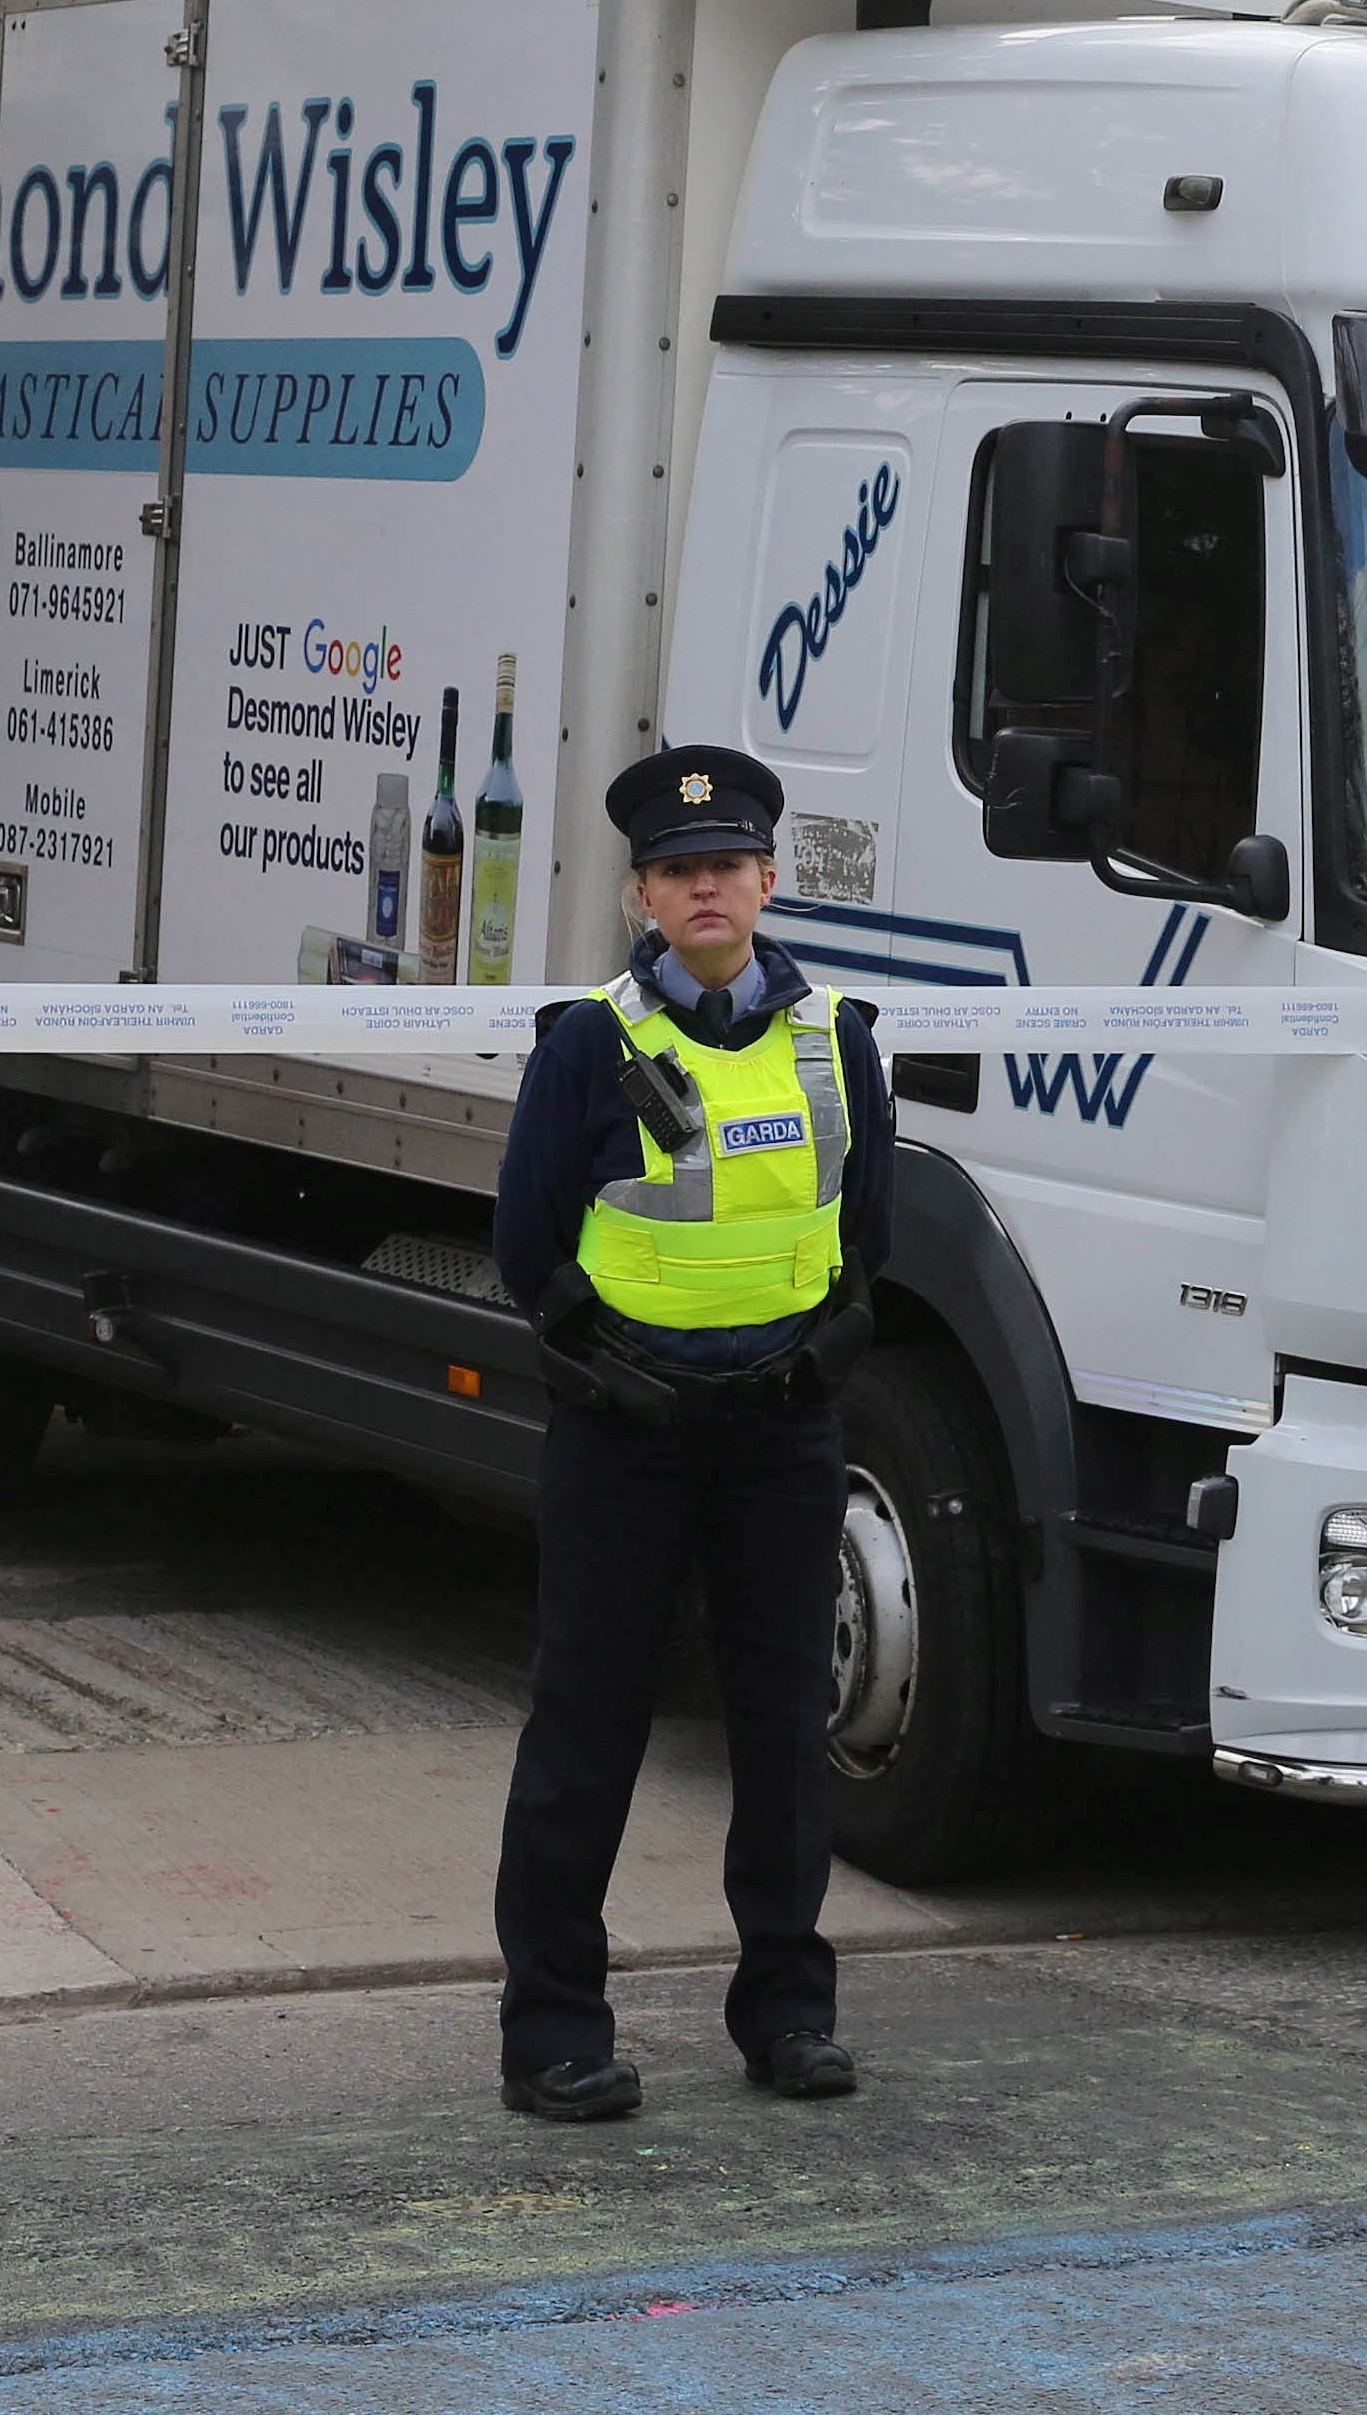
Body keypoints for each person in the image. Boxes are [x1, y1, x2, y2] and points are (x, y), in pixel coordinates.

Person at [484, 743, 895, 2119]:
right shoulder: (590, 1046)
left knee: (785, 1730)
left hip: (780, 1434)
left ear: (767, 882)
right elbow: (526, 1245)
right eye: (676, 872)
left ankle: (787, 2013)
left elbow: (864, 1244)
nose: (704, 889)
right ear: (643, 899)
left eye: (725, 868)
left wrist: (821, 1360)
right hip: (627, 1435)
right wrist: (606, 1373)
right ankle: (553, 2031)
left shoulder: (838, 1041)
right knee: (586, 1727)